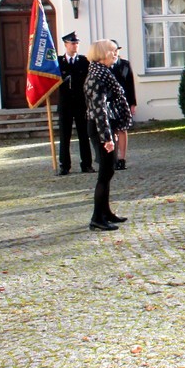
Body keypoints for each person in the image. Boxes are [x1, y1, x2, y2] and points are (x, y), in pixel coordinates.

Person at [83, 39, 133, 231]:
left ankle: (106, 212)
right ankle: (97, 217)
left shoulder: (103, 72)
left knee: (109, 170)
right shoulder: (96, 77)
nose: (115, 54)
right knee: (104, 173)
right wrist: (107, 138)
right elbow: (99, 110)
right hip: (100, 127)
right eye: (112, 51)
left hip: (106, 124)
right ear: (103, 54)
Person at [57, 31, 94, 175]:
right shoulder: (58, 62)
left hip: (81, 103)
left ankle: (87, 164)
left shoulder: (84, 61)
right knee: (64, 136)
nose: (75, 46)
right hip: (65, 104)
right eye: (72, 43)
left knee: (84, 135)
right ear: (66, 44)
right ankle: (64, 166)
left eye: (77, 43)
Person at [109, 40, 136, 171]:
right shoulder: (105, 65)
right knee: (111, 130)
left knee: (122, 129)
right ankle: (113, 158)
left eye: (116, 50)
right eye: (112, 50)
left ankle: (122, 158)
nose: (115, 53)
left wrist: (133, 103)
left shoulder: (124, 64)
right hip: (109, 102)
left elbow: (130, 84)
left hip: (122, 101)